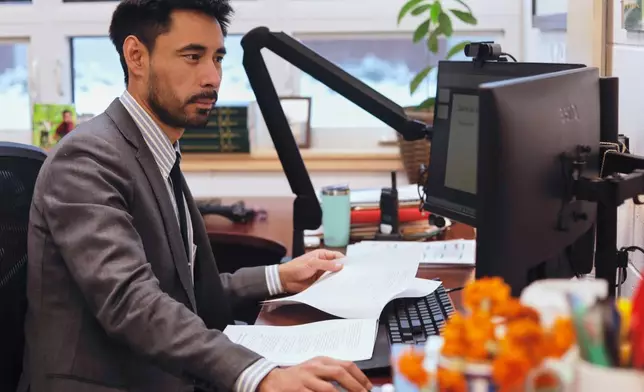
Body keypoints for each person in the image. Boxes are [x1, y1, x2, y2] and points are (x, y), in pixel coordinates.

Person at [19, 1, 372, 392]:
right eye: (192, 57)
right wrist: (261, 375)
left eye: (218, 58)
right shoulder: (86, 159)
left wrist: (280, 276)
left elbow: (180, 294)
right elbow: (130, 302)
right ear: (136, 56)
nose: (212, 77)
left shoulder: (155, 150)